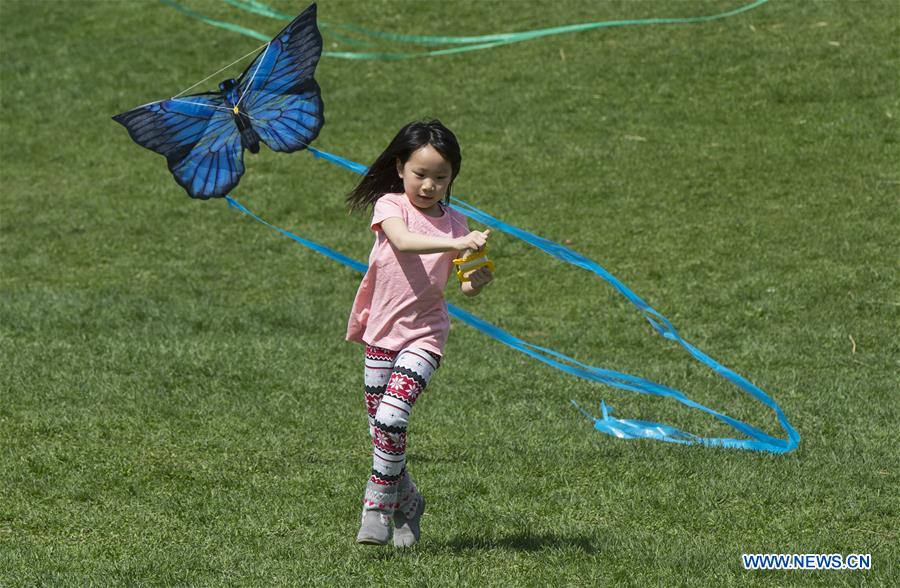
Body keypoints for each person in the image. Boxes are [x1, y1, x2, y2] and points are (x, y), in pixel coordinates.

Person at [345, 120, 493, 547]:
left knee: (392, 417)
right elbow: (405, 242)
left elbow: (465, 283)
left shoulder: (458, 224)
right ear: (400, 168)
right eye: (420, 174)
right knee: (382, 432)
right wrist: (457, 244)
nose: (429, 185)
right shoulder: (390, 207)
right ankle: (410, 501)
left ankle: (377, 507)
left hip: (425, 336)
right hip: (381, 332)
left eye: (441, 177)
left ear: (453, 177)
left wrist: (476, 279)